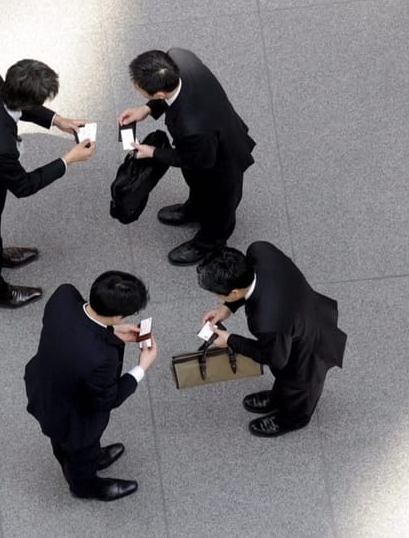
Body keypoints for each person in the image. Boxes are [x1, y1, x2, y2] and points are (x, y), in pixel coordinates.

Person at [0, 59, 96, 309]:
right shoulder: (0, 147)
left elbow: (19, 105)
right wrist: (68, 159)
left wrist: (58, 120)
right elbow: (24, 186)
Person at [24, 271, 158, 501]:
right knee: (78, 448)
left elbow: (77, 326)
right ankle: (84, 486)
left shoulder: (64, 295)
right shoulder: (101, 358)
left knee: (65, 441)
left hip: (43, 386)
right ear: (118, 315)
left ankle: (92, 456)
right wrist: (141, 367)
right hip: (72, 415)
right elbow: (108, 399)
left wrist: (111, 330)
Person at [118, 49, 256, 266]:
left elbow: (197, 161)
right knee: (198, 186)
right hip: (210, 138)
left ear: (160, 94)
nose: (136, 87)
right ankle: (196, 208)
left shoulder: (192, 125)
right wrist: (146, 109)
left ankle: (209, 242)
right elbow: (172, 94)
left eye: (140, 90)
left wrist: (152, 152)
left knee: (220, 205)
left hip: (220, 163)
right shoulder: (180, 57)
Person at [197, 242, 347, 437]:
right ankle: (279, 398)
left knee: (300, 386)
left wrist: (230, 340)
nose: (217, 297)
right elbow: (253, 286)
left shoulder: (267, 320)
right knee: (287, 381)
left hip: (310, 349)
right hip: (307, 314)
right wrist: (227, 308)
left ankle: (294, 418)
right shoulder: (260, 250)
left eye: (217, 295)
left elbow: (274, 357)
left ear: (234, 292)